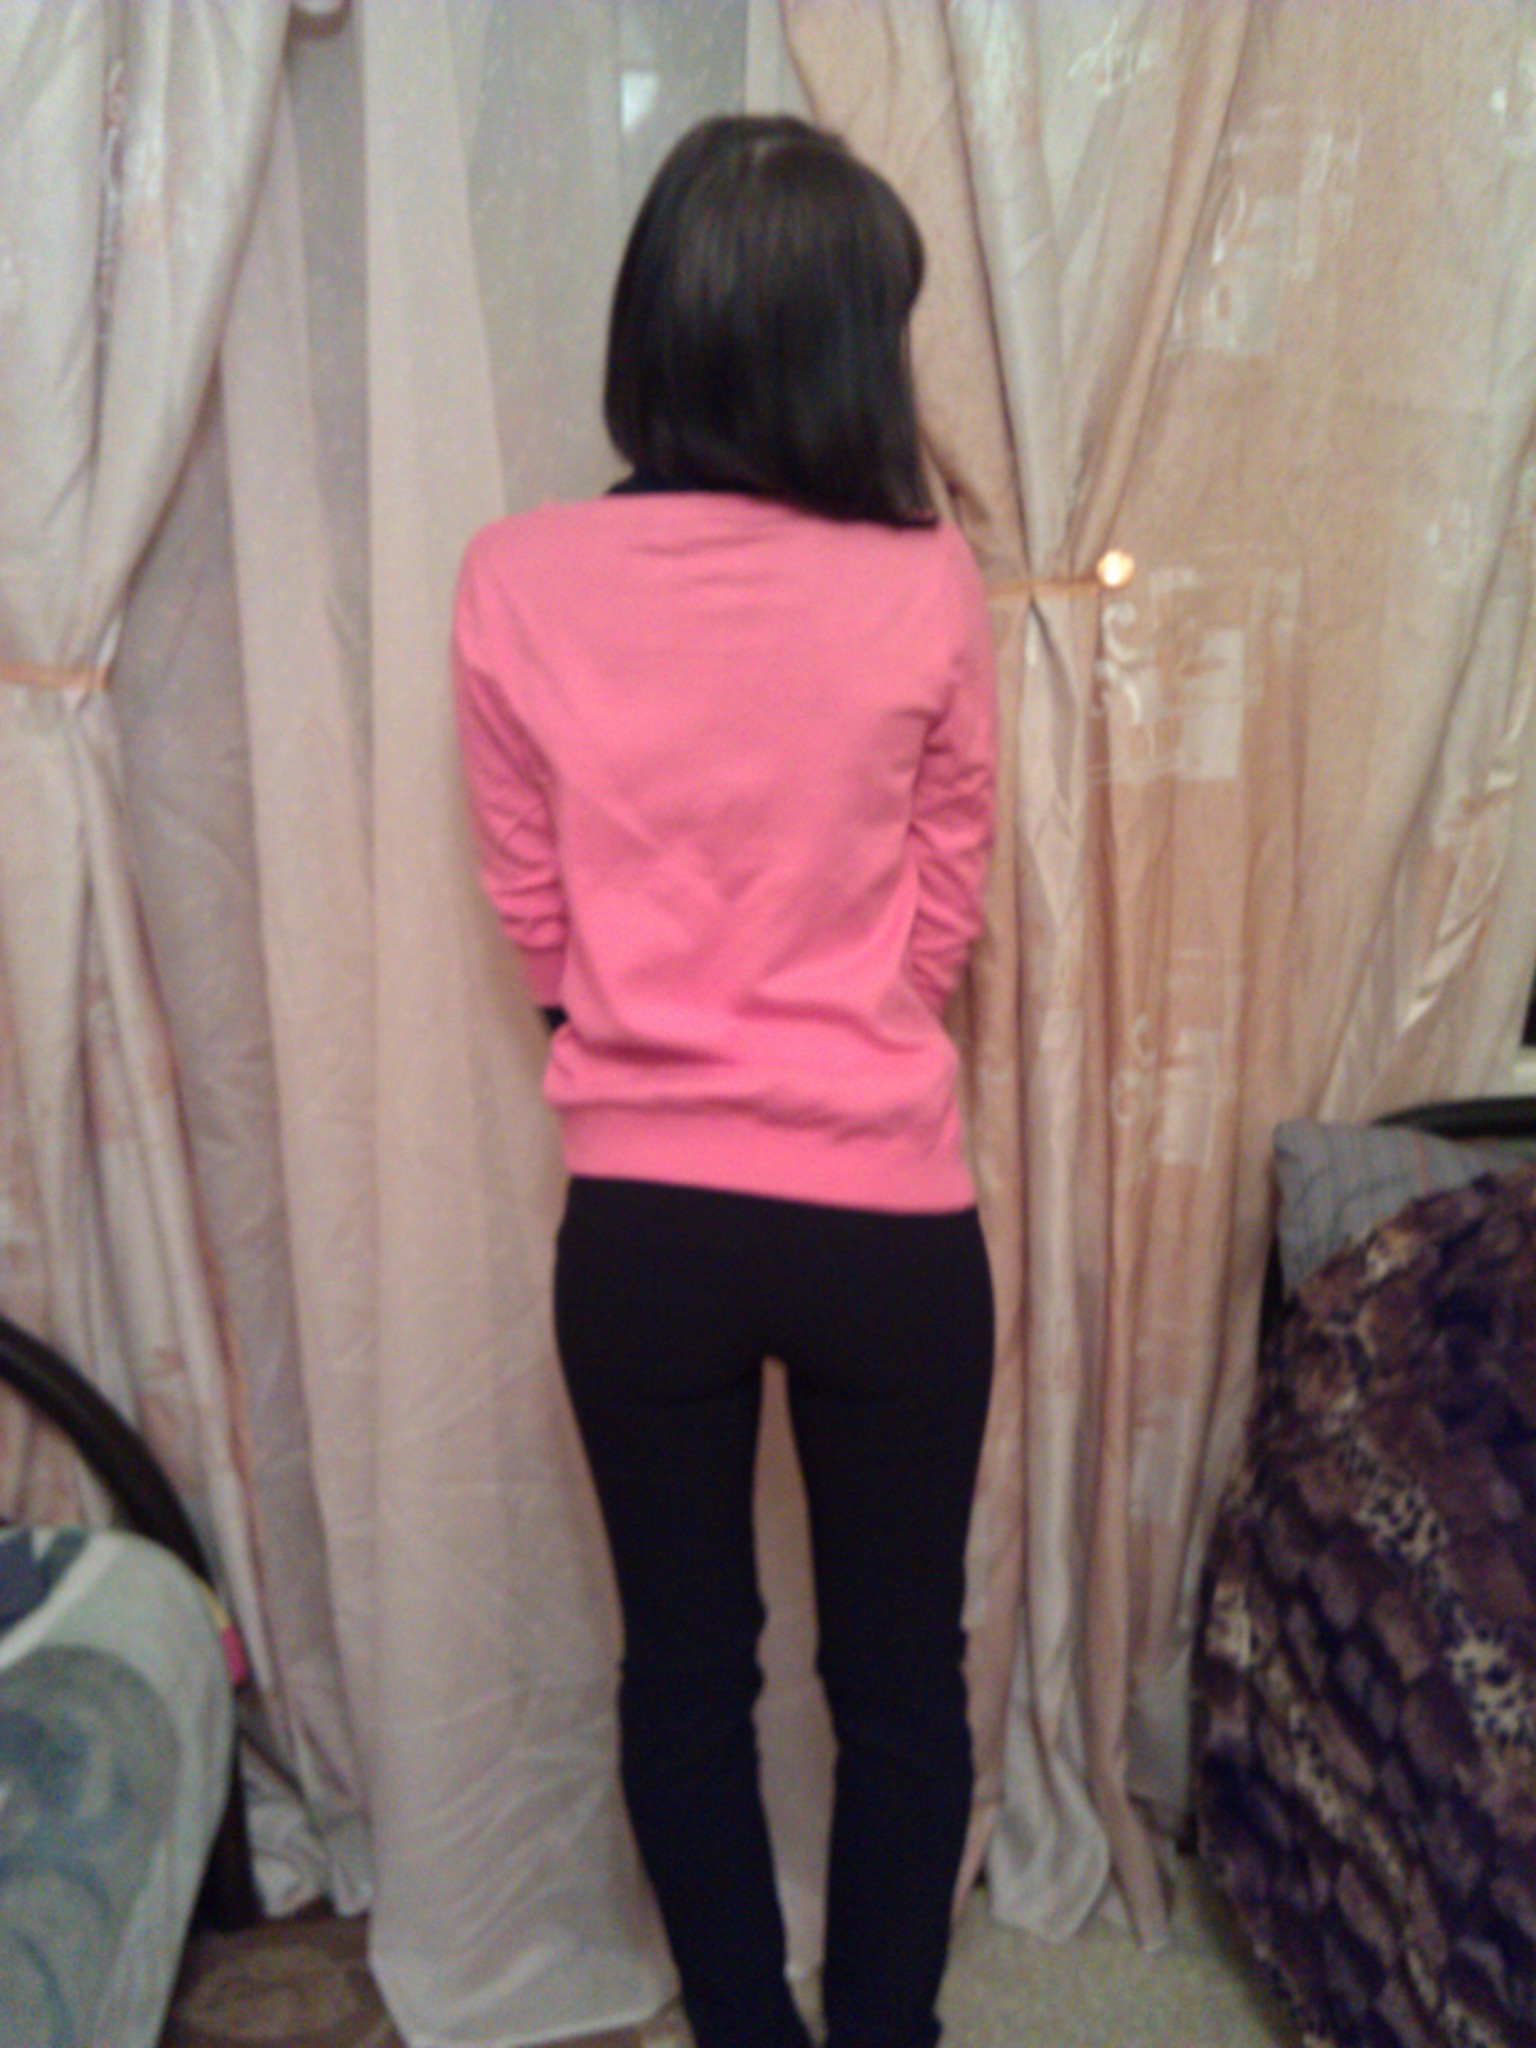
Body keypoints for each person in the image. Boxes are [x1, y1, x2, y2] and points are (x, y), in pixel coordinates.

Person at [453, 114, 997, 2048]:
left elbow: (533, 901)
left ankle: (748, 2033)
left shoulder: (514, 576)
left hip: (646, 1230)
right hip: (888, 1224)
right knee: (901, 1677)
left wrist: (645, 1044)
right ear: (848, 348)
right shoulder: (927, 579)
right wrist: (840, 1025)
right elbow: (947, 893)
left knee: (682, 1670)